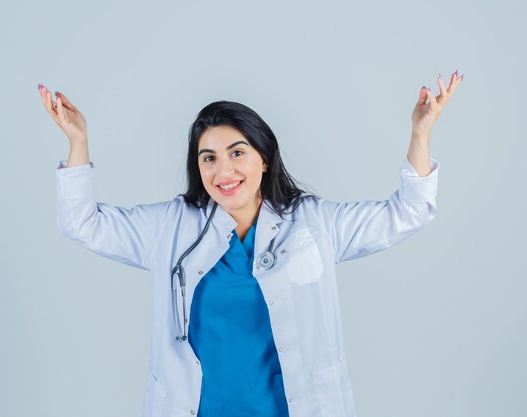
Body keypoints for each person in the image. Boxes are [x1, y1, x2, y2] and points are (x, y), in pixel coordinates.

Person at [38, 70, 463, 417]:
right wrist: (78, 142)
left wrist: (420, 135)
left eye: (237, 152)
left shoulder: (313, 224)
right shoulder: (170, 228)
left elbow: (406, 213)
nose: (224, 170)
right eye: (209, 158)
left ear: (263, 156)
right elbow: (82, 222)